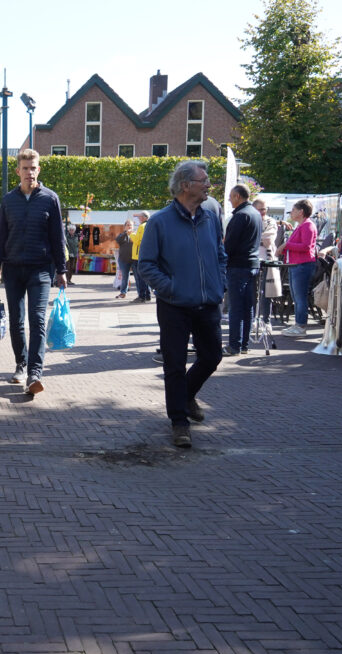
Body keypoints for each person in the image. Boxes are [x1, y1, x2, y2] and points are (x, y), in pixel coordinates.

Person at [137, 160, 226, 449]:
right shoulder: (159, 222)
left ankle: (185, 395)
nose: (208, 184)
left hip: (208, 302)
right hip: (174, 305)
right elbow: (147, 266)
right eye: (203, 180)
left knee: (212, 356)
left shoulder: (211, 218)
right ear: (185, 185)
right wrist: (171, 289)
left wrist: (219, 283)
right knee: (174, 364)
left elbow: (221, 255)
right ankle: (179, 422)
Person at [0, 148, 67, 395]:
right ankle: (20, 365)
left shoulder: (50, 199)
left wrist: (62, 270)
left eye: (33, 168)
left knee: (38, 319)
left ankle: (35, 372)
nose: (29, 172)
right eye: (25, 168)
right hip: (12, 270)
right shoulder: (8, 200)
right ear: (18, 171)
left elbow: (57, 237)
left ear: (38, 170)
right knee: (16, 321)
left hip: (40, 270)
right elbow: (0, 237)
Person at [223, 184, 262, 356]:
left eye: (231, 197)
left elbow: (229, 245)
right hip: (252, 265)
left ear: (238, 196)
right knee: (247, 306)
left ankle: (234, 346)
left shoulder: (240, 216)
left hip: (238, 266)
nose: (230, 200)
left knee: (236, 307)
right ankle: (244, 344)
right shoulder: (255, 214)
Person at [279, 199, 318, 337]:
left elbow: (306, 247)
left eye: (294, 210)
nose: (291, 212)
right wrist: (285, 248)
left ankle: (301, 326)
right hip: (297, 265)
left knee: (300, 297)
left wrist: (286, 246)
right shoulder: (302, 225)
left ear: (301, 212)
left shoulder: (307, 225)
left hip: (302, 265)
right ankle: (298, 324)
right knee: (297, 297)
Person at [252, 198, 282, 321]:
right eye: (260, 209)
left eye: (265, 209)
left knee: (267, 292)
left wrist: (254, 238)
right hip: (252, 259)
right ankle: (253, 318)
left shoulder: (271, 221)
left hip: (268, 259)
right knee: (252, 292)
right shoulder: (251, 220)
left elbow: (269, 238)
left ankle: (266, 320)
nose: (263, 212)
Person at [130, 210, 152, 303]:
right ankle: (147, 295)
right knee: (145, 277)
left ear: (145, 218)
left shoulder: (142, 226)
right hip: (145, 255)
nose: (139, 218)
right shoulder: (149, 225)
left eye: (140, 216)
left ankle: (141, 296)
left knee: (139, 278)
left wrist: (130, 234)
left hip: (138, 255)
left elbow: (138, 241)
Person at [115, 220, 135, 299]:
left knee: (138, 276)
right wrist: (126, 233)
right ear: (124, 227)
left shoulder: (136, 234)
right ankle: (123, 293)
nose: (129, 226)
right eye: (127, 225)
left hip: (134, 259)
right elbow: (118, 240)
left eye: (131, 225)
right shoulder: (122, 235)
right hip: (123, 259)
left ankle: (142, 294)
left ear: (133, 226)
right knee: (125, 277)